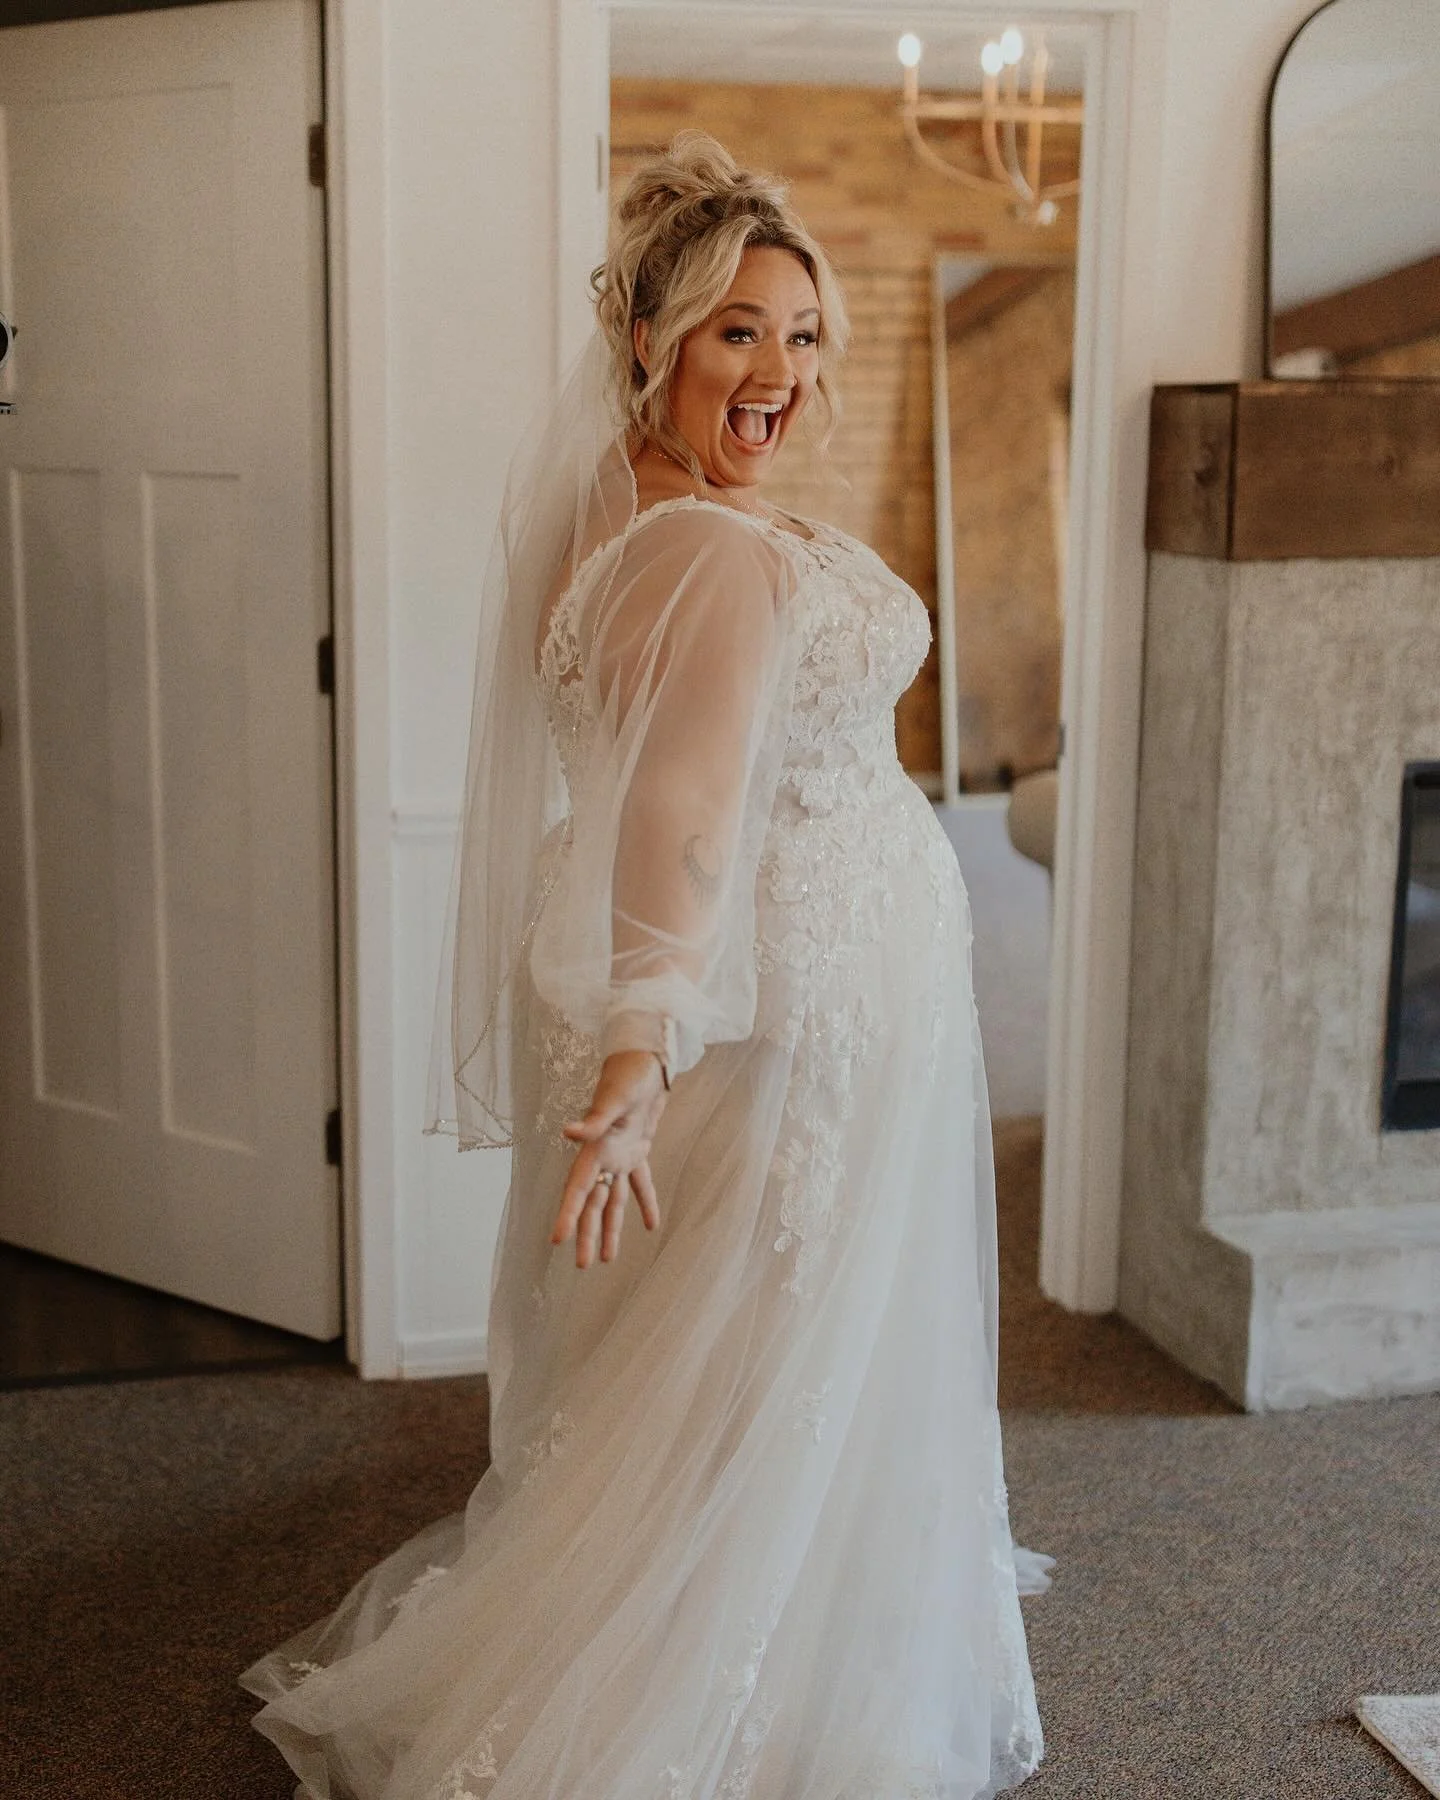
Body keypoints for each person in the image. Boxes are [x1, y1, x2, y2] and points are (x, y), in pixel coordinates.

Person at [241, 131, 1048, 1800]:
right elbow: (678, 805)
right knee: (770, 1343)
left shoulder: (624, 499)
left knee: (708, 1346)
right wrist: (638, 1056)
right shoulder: (713, 552)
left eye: (805, 336)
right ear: (650, 340)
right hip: (777, 1002)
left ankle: (714, 1616)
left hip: (761, 985)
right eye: (739, 332)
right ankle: (718, 1687)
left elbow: (631, 775)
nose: (783, 373)